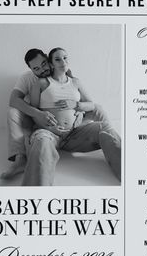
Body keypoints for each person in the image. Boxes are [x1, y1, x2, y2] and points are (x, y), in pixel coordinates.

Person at [0, 47, 110, 179]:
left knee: (97, 107)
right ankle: (19, 159)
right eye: (36, 69)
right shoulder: (28, 79)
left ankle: (111, 140)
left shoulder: (62, 69)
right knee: (12, 112)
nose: (42, 70)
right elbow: (14, 100)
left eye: (44, 64)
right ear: (31, 69)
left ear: (48, 59)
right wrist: (38, 114)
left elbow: (75, 95)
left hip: (70, 122)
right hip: (39, 117)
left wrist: (79, 109)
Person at [21, 47, 121, 187]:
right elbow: (34, 111)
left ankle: (129, 174)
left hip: (75, 134)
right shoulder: (40, 84)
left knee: (104, 128)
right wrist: (49, 127)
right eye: (57, 59)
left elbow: (91, 104)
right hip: (49, 134)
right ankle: (35, 195)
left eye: (65, 58)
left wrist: (76, 105)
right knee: (41, 142)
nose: (63, 61)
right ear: (51, 63)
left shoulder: (75, 82)